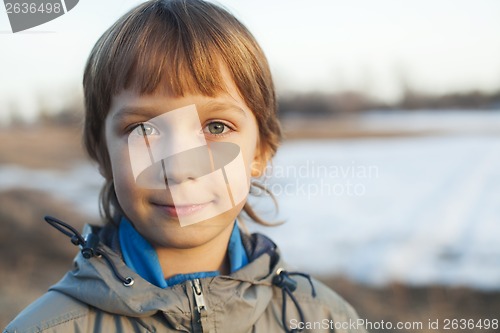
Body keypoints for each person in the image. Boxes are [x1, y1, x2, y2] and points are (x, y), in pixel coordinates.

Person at [4, 0, 367, 332]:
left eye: (216, 127)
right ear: (104, 156)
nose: (178, 169)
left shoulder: (325, 320)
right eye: (143, 130)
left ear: (261, 153)